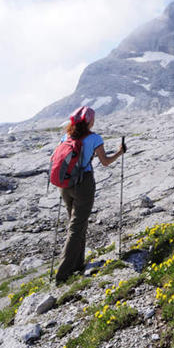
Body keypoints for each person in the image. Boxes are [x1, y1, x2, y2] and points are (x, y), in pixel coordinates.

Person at [55, 106, 126, 284]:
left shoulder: (66, 136)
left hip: (65, 185)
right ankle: (62, 274)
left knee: (76, 222)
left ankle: (78, 263)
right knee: (77, 226)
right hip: (83, 184)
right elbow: (106, 162)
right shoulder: (95, 138)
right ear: (89, 121)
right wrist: (120, 152)